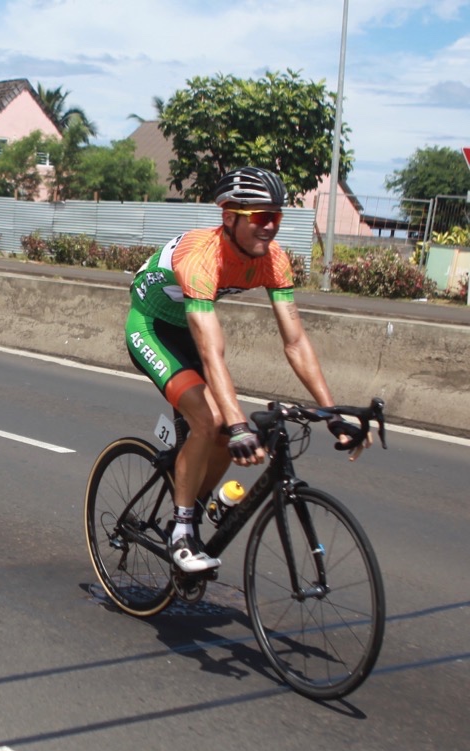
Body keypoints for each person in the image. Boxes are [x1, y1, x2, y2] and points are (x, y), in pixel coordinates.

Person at [124, 166, 370, 574]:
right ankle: (180, 532)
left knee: (225, 430)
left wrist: (332, 414)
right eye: (260, 216)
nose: (269, 226)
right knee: (213, 420)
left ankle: (193, 506)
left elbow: (295, 342)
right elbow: (212, 353)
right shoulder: (201, 256)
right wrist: (239, 425)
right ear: (229, 217)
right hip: (151, 327)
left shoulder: (273, 259)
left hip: (187, 327)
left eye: (276, 216)